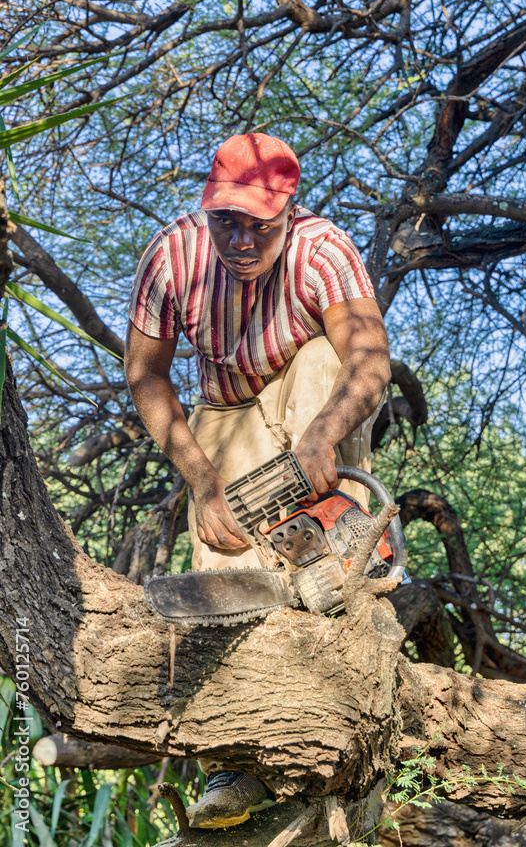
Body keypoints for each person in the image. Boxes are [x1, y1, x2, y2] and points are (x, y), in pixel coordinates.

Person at [124, 132, 391, 829]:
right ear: (206, 209)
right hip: (228, 408)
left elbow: (370, 363)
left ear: (288, 210)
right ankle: (234, 759)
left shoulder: (323, 250)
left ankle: (339, 561)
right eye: (225, 221)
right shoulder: (172, 256)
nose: (241, 239)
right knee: (222, 565)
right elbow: (146, 374)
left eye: (258, 226)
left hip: (310, 403)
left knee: (323, 367)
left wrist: (322, 436)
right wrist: (200, 479)